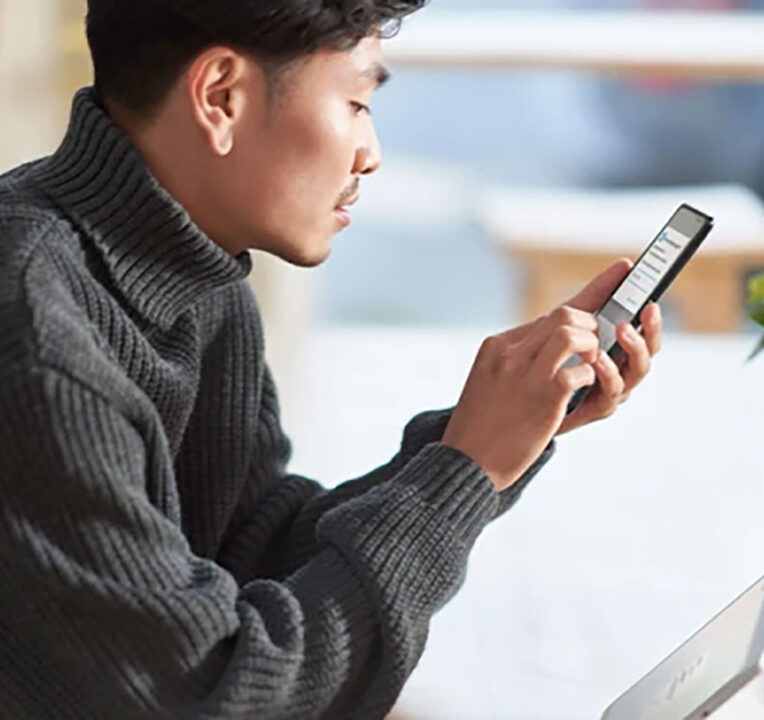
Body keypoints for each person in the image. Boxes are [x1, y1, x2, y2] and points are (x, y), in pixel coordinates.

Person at [0, 1, 662, 718]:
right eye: (354, 101)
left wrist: (481, 440)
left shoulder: (198, 282)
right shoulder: (39, 340)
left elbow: (247, 553)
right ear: (220, 95)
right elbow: (212, 692)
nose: (370, 152)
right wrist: (462, 471)